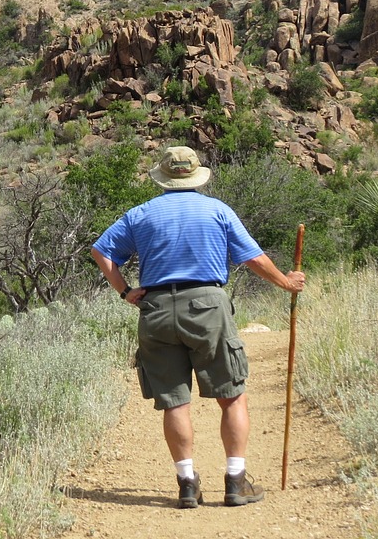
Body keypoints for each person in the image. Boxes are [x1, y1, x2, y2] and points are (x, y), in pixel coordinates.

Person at [90, 145, 306, 510]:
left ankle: (187, 484)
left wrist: (126, 291)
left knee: (175, 401)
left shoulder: (140, 214)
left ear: (162, 177)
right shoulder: (217, 210)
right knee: (231, 393)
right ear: (196, 175)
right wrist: (286, 282)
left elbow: (101, 251)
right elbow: (252, 257)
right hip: (208, 305)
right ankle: (236, 481)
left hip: (155, 308)